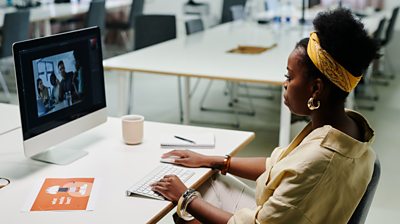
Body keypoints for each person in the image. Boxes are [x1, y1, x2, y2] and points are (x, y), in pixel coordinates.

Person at [150, 8, 379, 224]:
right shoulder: (345, 126)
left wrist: (185, 197)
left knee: (187, 209)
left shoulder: (321, 159)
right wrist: (214, 161)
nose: (285, 84)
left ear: (316, 89)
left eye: (289, 77)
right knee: (208, 181)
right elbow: (277, 164)